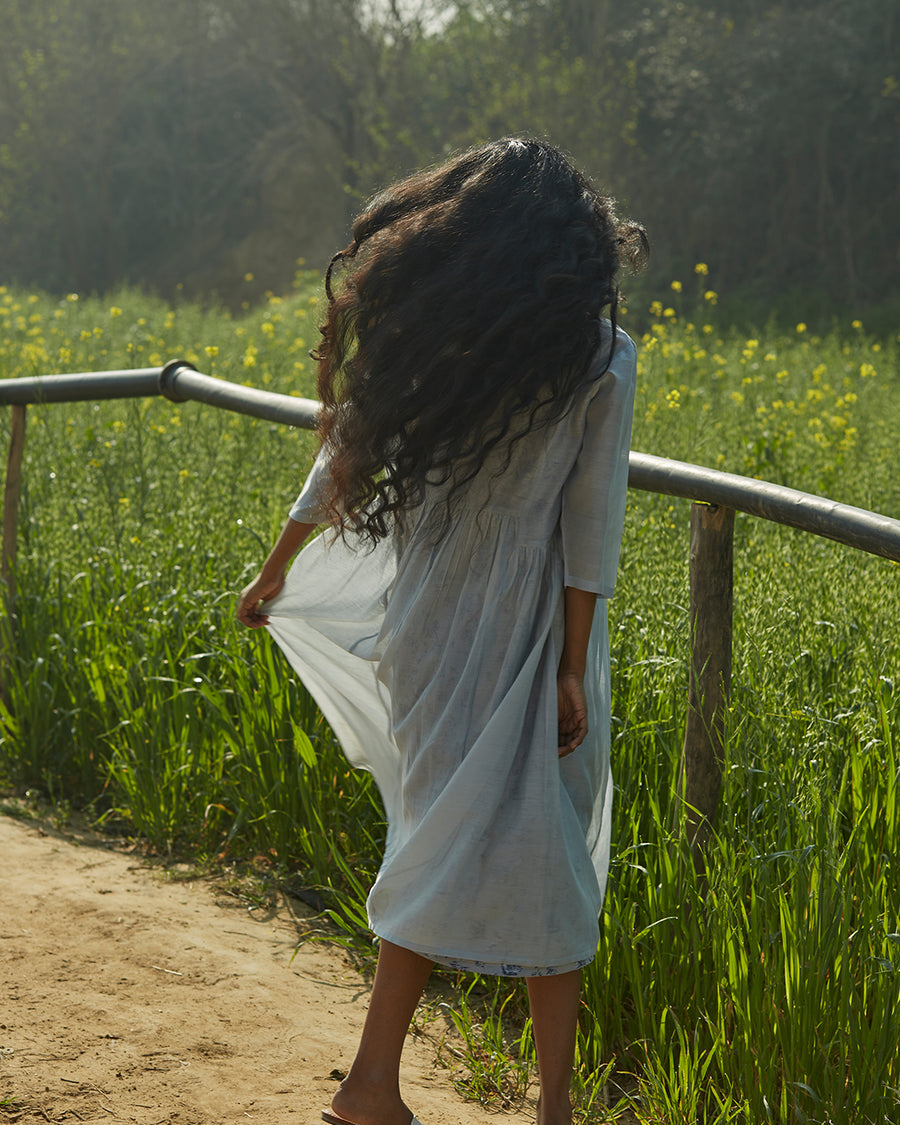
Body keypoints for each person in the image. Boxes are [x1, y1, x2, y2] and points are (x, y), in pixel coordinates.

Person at [236, 137, 647, 1125]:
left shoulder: (435, 339)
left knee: (431, 840)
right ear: (575, 246)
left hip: (421, 626)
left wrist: (277, 566)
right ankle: (551, 1109)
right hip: (531, 635)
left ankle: (373, 1085)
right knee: (553, 865)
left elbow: (343, 457)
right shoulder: (598, 357)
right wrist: (573, 669)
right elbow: (590, 526)